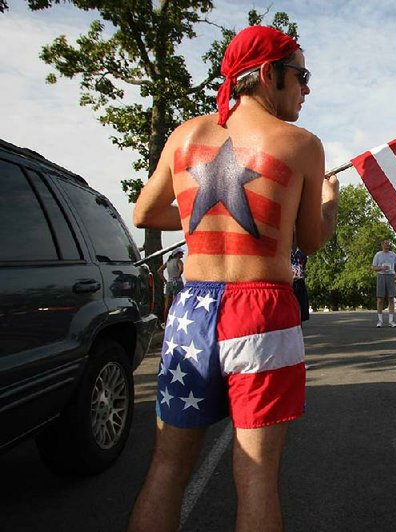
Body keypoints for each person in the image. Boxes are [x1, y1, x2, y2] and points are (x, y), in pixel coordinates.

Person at [128, 26, 339, 532]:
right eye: (301, 75)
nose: (307, 89)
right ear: (268, 74)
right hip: (262, 310)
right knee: (257, 473)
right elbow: (309, 240)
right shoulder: (301, 145)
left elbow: (145, 212)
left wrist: (204, 213)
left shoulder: (184, 136)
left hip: (191, 311)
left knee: (167, 466)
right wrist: (329, 202)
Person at [371, 239, 396, 327]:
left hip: (390, 276)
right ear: (382, 245)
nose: (387, 245)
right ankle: (380, 320)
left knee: (391, 298)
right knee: (380, 299)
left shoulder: (393, 254)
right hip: (381, 276)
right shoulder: (378, 255)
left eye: (388, 244)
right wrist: (381, 268)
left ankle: (391, 321)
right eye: (385, 243)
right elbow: (373, 267)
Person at [157, 249, 184, 327]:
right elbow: (181, 269)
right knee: (178, 302)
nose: (182, 255)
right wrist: (178, 275)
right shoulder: (178, 261)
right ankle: (177, 321)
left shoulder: (168, 262)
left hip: (169, 283)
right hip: (177, 283)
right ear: (177, 254)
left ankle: (165, 322)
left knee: (167, 304)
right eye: (181, 253)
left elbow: (159, 271)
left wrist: (164, 280)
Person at [291, 247, 310, 322]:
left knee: (303, 302)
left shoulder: (302, 254)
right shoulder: (285, 250)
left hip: (300, 280)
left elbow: (303, 265)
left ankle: (301, 319)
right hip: (289, 281)